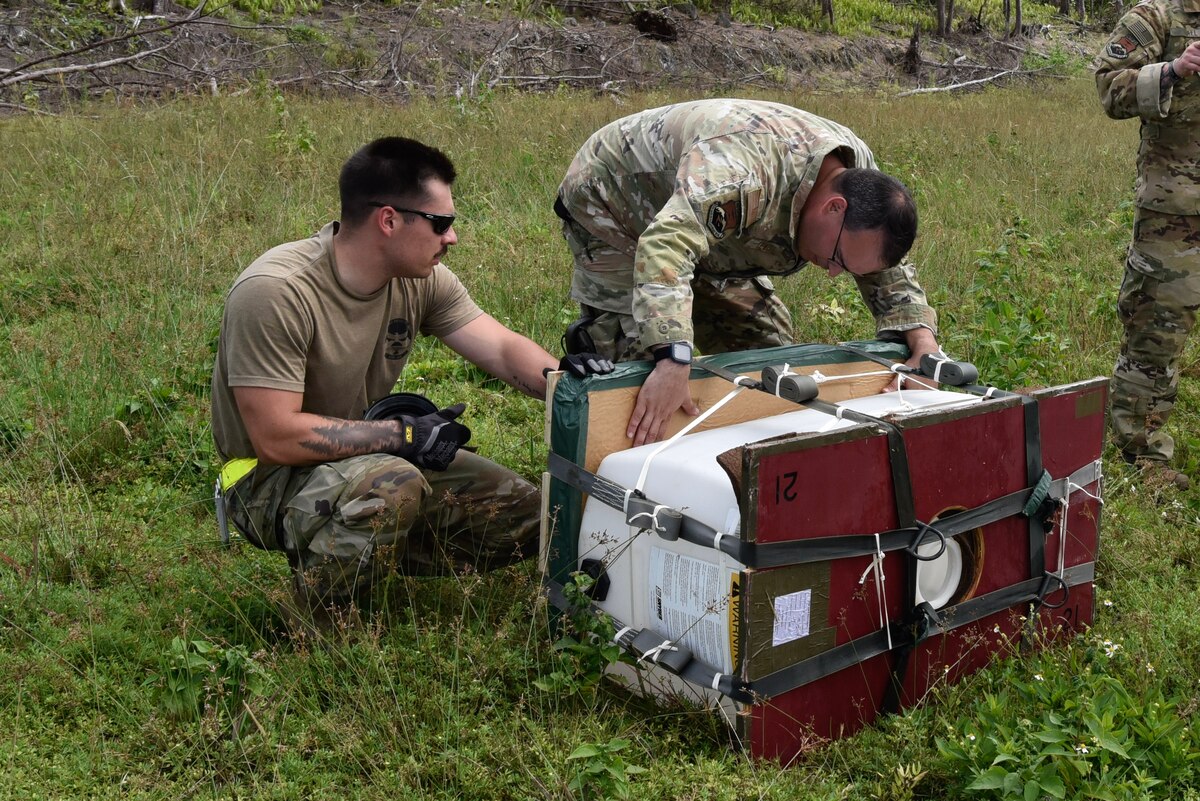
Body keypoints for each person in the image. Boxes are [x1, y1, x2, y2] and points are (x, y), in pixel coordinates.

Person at [211, 136, 612, 614]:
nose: (452, 238)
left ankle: (375, 545)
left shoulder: (420, 280)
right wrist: (400, 436)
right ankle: (314, 631)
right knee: (392, 482)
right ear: (389, 220)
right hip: (264, 479)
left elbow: (502, 350)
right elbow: (273, 437)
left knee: (537, 517)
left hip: (361, 459)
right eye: (441, 224)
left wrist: (568, 382)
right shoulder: (276, 292)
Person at [554, 99, 942, 447]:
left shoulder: (860, 178)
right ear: (833, 207)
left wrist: (923, 341)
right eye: (837, 258)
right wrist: (672, 357)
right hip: (615, 201)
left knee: (769, 365)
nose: (832, 273)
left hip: (705, 223)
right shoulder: (742, 173)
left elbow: (878, 261)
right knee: (636, 377)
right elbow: (666, 244)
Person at [1095, 4, 1200, 490]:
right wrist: (1173, 70)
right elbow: (1108, 88)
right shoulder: (1155, 17)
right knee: (1154, 339)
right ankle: (1143, 458)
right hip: (1175, 215)